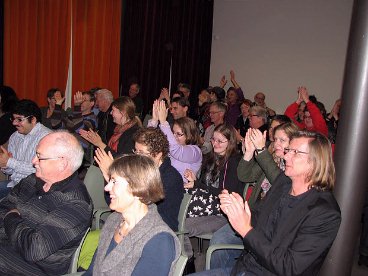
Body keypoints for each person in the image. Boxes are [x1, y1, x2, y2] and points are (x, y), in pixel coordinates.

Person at [198, 131, 341, 276]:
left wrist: (246, 230)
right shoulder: (283, 184)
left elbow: (289, 267)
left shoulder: (324, 212)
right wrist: (239, 210)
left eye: (295, 152)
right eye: (288, 151)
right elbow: (259, 219)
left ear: (315, 161)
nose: (285, 156)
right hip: (245, 268)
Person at [0, 131, 93, 276]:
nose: (33, 161)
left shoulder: (77, 204)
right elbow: (5, 206)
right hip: (8, 245)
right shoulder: (32, 180)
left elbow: (33, 249)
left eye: (39, 156)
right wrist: (11, 219)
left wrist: (11, 217)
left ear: (62, 163)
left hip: (35, 268)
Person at [209, 122, 299, 269]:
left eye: (282, 140)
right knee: (218, 241)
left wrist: (262, 151)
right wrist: (249, 152)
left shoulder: (293, 167)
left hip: (270, 223)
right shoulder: (271, 158)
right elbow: (244, 175)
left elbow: (280, 184)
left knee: (221, 242)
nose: (276, 143)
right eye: (275, 139)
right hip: (254, 215)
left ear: (293, 143)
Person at [85, 154, 180, 275]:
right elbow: (92, 271)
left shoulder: (159, 240)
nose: (107, 188)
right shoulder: (114, 220)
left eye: (114, 181)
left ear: (138, 188)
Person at [94, 127, 184, 231]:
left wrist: (112, 176)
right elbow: (113, 203)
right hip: (133, 224)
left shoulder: (170, 178)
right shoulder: (139, 171)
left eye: (141, 153)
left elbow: (153, 215)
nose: (137, 157)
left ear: (158, 155)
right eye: (136, 151)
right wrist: (111, 179)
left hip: (156, 230)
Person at [183, 123, 245, 260]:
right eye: (213, 139)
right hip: (209, 206)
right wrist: (195, 179)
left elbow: (226, 194)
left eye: (220, 141)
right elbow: (204, 186)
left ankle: (187, 262)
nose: (215, 143)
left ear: (230, 142)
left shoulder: (234, 162)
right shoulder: (210, 158)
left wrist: (197, 185)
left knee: (179, 224)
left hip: (223, 212)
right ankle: (186, 260)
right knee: (176, 214)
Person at [0, 100, 51, 199]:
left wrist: (10, 162)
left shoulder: (47, 138)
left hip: (35, 191)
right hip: (14, 185)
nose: (14, 123)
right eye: (13, 119)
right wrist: (5, 164)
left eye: (19, 119)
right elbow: (10, 171)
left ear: (33, 120)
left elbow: (41, 171)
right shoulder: (15, 137)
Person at [148, 100, 202, 183]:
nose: (174, 136)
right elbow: (148, 143)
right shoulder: (171, 145)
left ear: (189, 135)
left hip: (182, 191)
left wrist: (163, 122)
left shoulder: (195, 151)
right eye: (173, 133)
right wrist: (154, 120)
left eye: (179, 134)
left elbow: (176, 151)